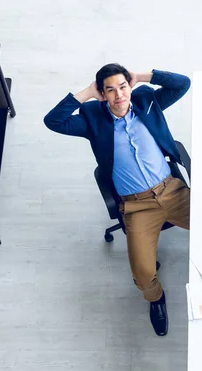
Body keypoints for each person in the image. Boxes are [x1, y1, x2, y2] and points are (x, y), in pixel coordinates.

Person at [43, 64, 191, 336]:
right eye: (110, 90)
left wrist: (144, 77)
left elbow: (182, 83)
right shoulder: (92, 118)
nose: (119, 95)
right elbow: (54, 121)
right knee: (143, 274)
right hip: (137, 207)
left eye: (122, 87)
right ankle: (156, 299)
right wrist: (88, 92)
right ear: (103, 94)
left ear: (130, 86)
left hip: (171, 191)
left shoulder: (146, 100)